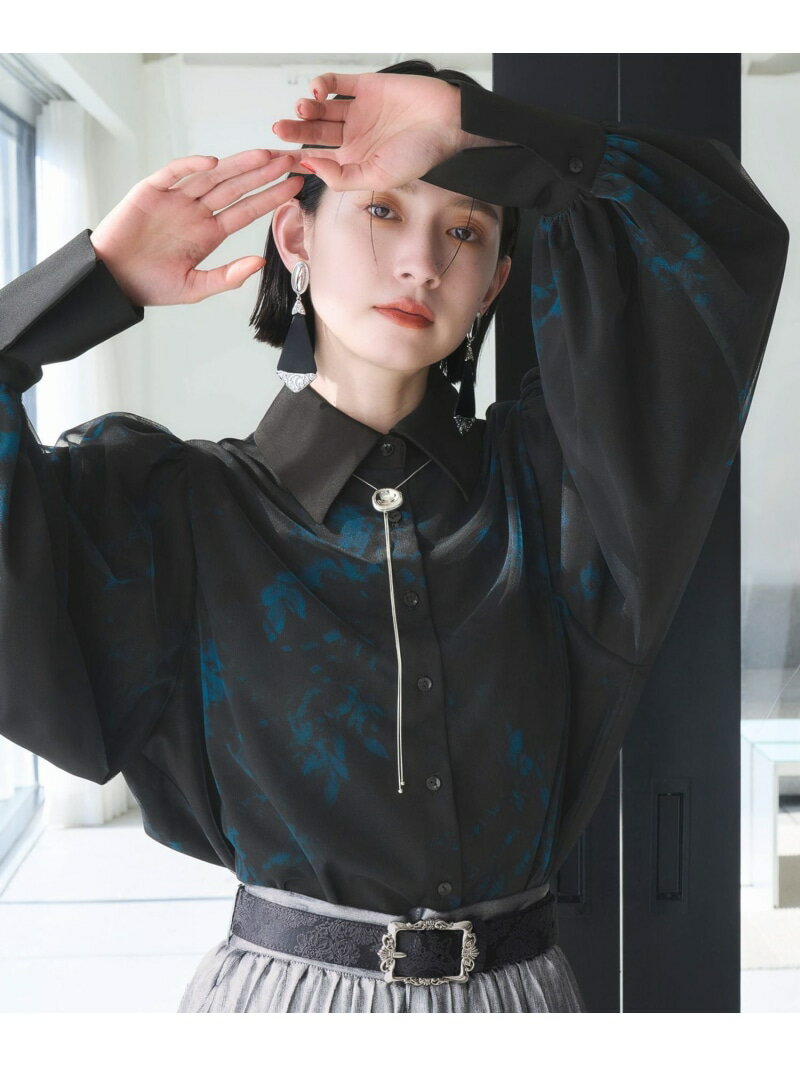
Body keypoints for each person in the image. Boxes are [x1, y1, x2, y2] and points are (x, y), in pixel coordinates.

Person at [0, 58, 789, 1013]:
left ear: (494, 284)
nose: (423, 262)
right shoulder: (170, 510)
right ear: (295, 235)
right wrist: (94, 280)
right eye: (382, 211)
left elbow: (718, 236)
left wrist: (477, 121)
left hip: (519, 1009)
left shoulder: (563, 485)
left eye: (465, 230)